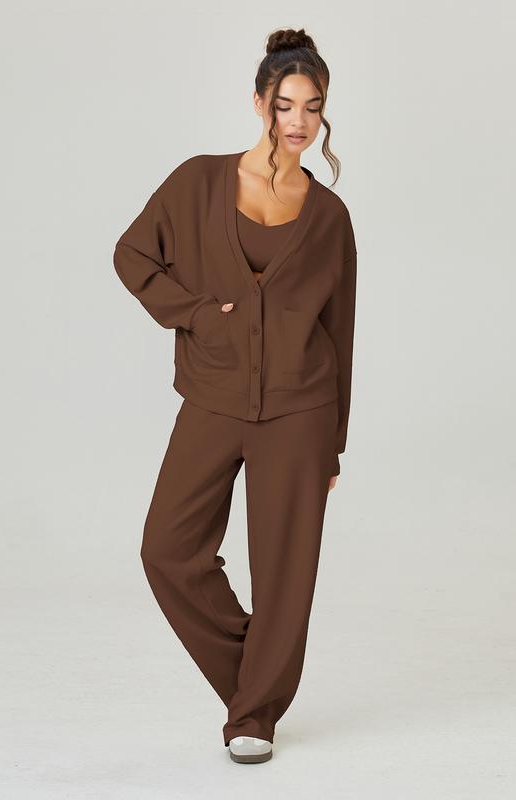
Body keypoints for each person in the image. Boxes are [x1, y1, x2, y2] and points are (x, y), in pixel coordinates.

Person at [112, 27, 357, 764]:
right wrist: (195, 314)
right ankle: (259, 678)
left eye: (312, 107)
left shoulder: (330, 218)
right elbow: (132, 253)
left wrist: (334, 444)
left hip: (301, 408)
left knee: (285, 571)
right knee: (167, 548)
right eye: (285, 104)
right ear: (259, 103)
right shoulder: (199, 182)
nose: (299, 121)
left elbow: (340, 332)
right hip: (215, 397)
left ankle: (254, 716)